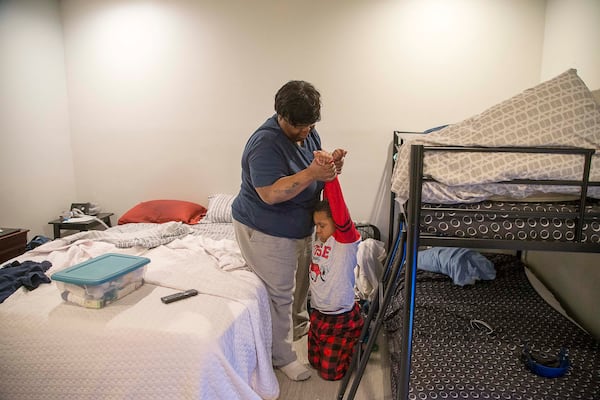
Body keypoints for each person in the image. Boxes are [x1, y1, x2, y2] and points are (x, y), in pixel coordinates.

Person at [231, 80, 346, 381]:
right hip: (265, 226)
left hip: (298, 224)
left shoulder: (307, 130)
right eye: (299, 126)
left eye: (310, 125)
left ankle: (297, 329)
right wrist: (312, 172)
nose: (305, 131)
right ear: (281, 116)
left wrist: (329, 165)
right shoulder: (264, 144)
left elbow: (313, 165)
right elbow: (270, 193)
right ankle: (281, 357)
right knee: (280, 292)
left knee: (300, 285)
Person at [308, 150, 363, 381]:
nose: (318, 230)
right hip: (318, 314)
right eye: (316, 225)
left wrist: (332, 174)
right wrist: (319, 167)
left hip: (340, 317)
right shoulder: (319, 236)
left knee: (331, 374)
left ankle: (356, 337)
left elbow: (338, 208)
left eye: (322, 225)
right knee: (313, 363)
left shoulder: (345, 241)